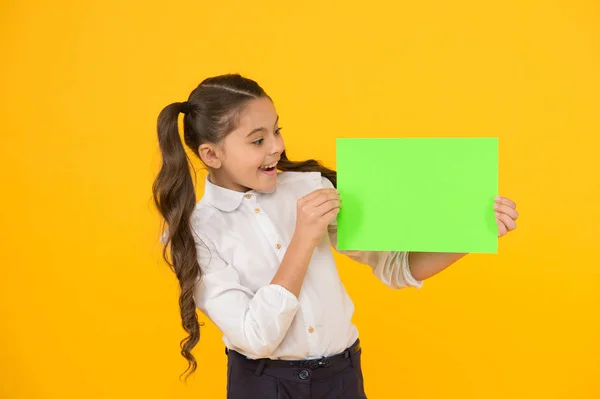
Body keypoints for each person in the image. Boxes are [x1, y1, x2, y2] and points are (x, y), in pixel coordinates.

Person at [152, 74, 519, 398]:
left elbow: (397, 267)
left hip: (341, 378)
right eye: (257, 140)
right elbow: (256, 337)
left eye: (276, 130)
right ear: (211, 154)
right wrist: (303, 237)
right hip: (264, 385)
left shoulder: (310, 188)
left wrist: (474, 232)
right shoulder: (195, 232)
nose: (276, 147)